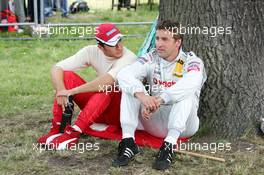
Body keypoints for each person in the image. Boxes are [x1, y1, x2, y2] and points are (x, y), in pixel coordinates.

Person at [113, 20, 207, 170]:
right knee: (130, 88)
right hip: (153, 119)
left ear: (178, 42)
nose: (159, 44)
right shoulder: (151, 57)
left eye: (165, 39)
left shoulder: (192, 60)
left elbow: (193, 81)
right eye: (157, 39)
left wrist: (160, 99)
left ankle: (168, 146)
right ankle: (128, 142)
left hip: (183, 126)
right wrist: (144, 98)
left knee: (185, 92)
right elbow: (124, 74)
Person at [37, 23, 137, 150]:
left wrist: (72, 91)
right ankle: (58, 127)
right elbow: (56, 68)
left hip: (119, 113)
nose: (119, 47)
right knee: (66, 76)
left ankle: (74, 133)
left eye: (120, 41)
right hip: (99, 107)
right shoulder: (91, 51)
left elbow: (107, 81)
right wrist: (61, 90)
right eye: (113, 44)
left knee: (107, 87)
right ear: (100, 47)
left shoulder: (129, 57)